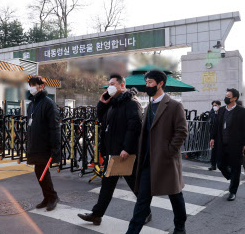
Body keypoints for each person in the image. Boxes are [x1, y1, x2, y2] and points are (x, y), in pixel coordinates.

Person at [77, 74, 152, 225]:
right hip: (113, 152)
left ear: (122, 86)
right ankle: (97, 214)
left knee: (134, 185)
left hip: (125, 153)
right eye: (108, 83)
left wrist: (127, 148)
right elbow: (102, 121)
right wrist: (102, 103)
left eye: (112, 83)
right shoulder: (113, 103)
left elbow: (134, 126)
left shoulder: (132, 103)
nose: (109, 86)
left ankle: (146, 211)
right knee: (108, 184)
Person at [126, 70, 188, 234]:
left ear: (160, 84)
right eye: (146, 83)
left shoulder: (174, 106)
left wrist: (169, 151)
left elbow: (182, 131)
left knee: (175, 196)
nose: (147, 85)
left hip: (166, 160)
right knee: (142, 201)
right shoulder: (148, 106)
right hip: (147, 162)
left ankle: (180, 228)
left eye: (150, 82)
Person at [26, 76, 61, 211]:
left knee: (42, 172)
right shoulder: (32, 104)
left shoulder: (48, 103)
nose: (32, 87)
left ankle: (52, 197)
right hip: (35, 143)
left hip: (45, 144)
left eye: (34, 84)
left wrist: (55, 146)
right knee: (39, 172)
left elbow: (55, 127)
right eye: (30, 84)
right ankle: (48, 197)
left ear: (42, 86)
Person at [210, 89, 245, 201]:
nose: (226, 97)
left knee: (236, 167)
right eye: (226, 95)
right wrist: (212, 137)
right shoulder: (222, 110)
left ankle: (233, 191)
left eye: (228, 96)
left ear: (234, 98)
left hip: (236, 144)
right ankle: (231, 177)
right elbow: (216, 125)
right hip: (221, 143)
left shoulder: (242, 111)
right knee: (220, 164)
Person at [208, 100, 221, 171]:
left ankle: (222, 164)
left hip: (221, 135)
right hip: (213, 134)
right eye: (213, 105)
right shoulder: (212, 113)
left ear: (219, 105)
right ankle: (213, 165)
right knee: (213, 149)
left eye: (215, 105)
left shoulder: (223, 113)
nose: (214, 107)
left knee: (221, 150)